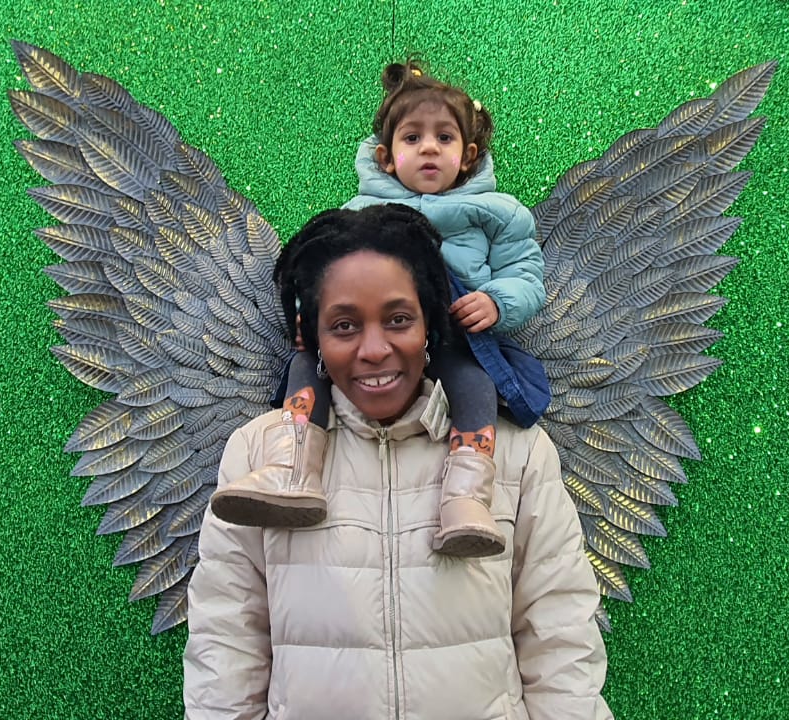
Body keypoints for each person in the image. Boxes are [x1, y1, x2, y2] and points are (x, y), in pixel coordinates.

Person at [178, 205, 612, 720]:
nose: (374, 348)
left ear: (430, 322)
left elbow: (560, 632)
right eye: (344, 325)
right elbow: (227, 641)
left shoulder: (517, 453)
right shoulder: (258, 455)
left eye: (398, 319)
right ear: (309, 336)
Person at [209, 59, 547, 559]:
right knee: (305, 363)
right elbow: (320, 274)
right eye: (413, 139)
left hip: (453, 336)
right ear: (387, 158)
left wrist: (498, 302)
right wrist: (308, 318)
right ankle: (293, 465)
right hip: (373, 337)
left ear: (468, 154)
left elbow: (526, 272)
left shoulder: (498, 211)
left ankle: (467, 497)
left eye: (444, 138)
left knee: (475, 384)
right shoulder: (356, 215)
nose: (429, 148)